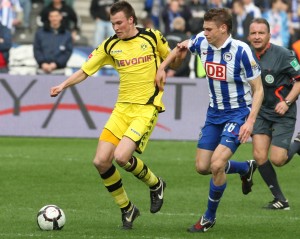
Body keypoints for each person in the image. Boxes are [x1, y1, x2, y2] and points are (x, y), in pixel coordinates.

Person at [50, 1, 171, 230]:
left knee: (122, 157)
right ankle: (127, 208)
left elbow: (172, 56)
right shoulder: (109, 45)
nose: (115, 27)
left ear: (131, 20)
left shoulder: (152, 37)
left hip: (146, 107)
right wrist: (63, 85)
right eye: (112, 23)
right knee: (100, 161)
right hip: (121, 109)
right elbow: (86, 70)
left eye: (119, 22)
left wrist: (164, 68)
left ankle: (156, 184)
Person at [155, 8, 263, 233]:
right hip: (214, 114)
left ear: (223, 28)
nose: (203, 33)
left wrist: (250, 121)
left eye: (208, 29)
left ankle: (208, 218)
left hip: (238, 113)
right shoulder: (201, 42)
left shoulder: (241, 51)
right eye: (203, 28)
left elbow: (258, 89)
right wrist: (162, 68)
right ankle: (245, 168)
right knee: (203, 167)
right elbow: (182, 45)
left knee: (216, 165)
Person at [248, 18, 300, 210]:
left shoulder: (284, 54)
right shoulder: (246, 54)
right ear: (249, 35)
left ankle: (298, 143)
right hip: (261, 112)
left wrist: (287, 102)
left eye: (261, 33)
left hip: (282, 111)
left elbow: (299, 80)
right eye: (253, 33)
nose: (257, 37)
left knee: (278, 160)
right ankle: (280, 200)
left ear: (269, 35)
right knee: (260, 156)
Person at [34, 8, 73, 74]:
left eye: (56, 16)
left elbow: (68, 52)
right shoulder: (40, 33)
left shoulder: (67, 34)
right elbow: (37, 49)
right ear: (49, 18)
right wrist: (42, 63)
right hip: (42, 70)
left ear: (60, 17)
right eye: (51, 16)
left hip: (60, 70)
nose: (54, 19)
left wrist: (56, 64)